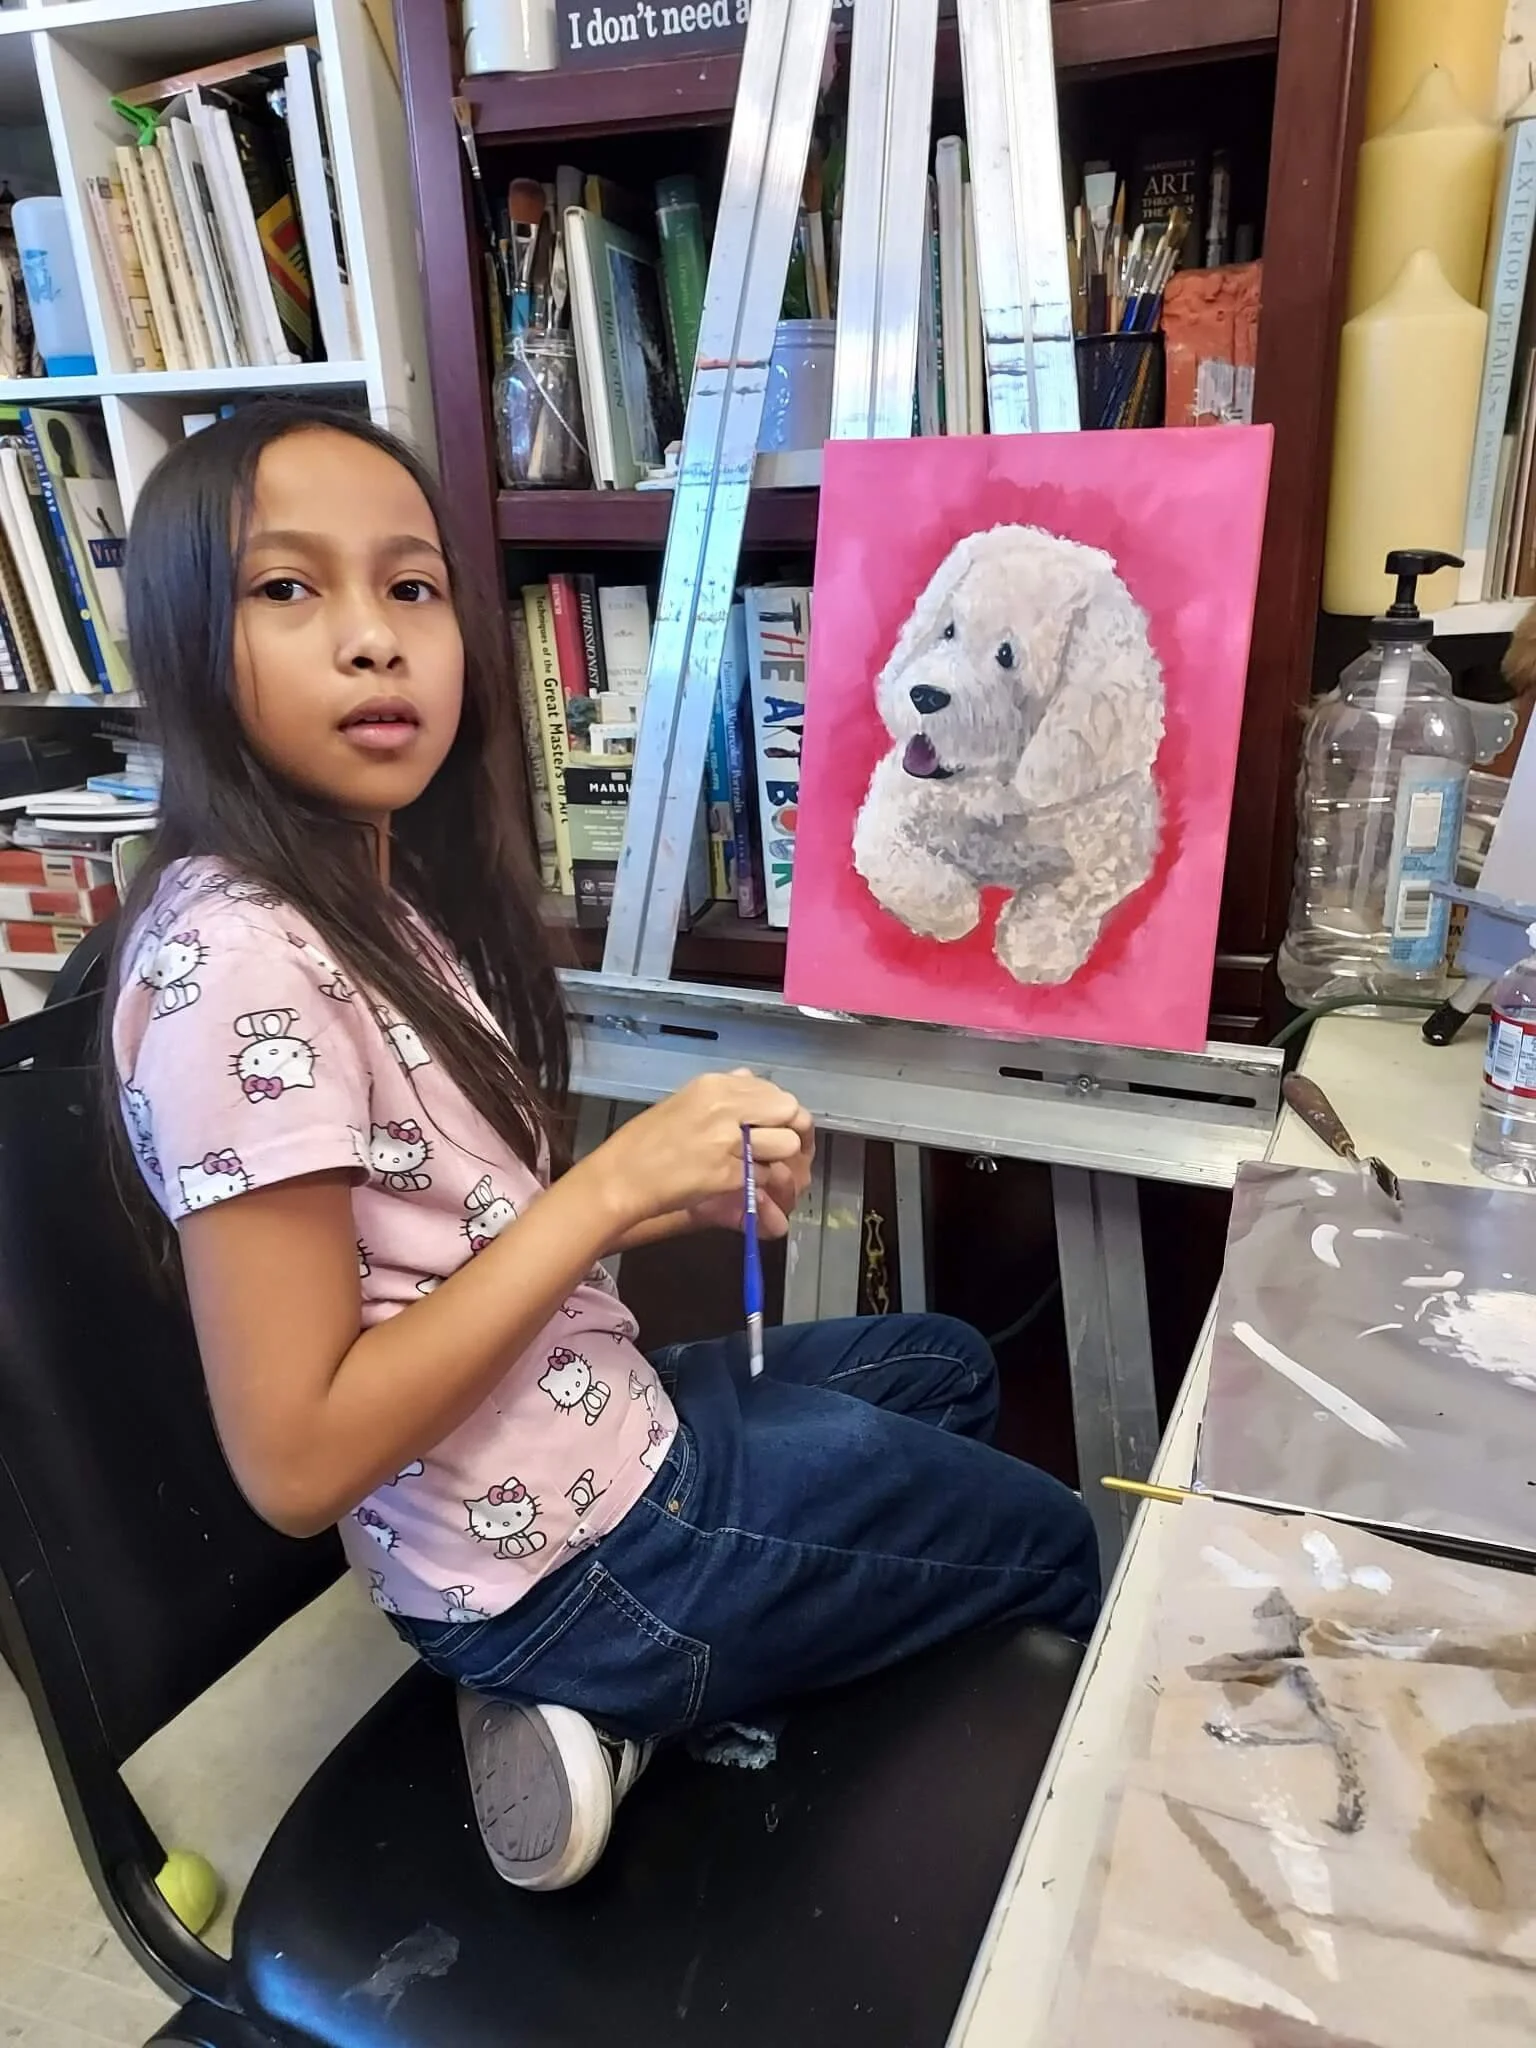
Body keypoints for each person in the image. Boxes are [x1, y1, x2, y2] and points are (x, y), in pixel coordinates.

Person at [106, 401, 1101, 1893]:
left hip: (583, 1427)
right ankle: (631, 1681)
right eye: (288, 588)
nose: (375, 641)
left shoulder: (369, 897)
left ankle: (638, 1699)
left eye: (414, 587)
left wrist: (661, 1201)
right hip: (561, 1552)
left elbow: (441, 1226)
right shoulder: (238, 964)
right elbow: (297, 1459)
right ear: (184, 641)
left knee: (947, 1368)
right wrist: (612, 1191)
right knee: (1055, 1550)